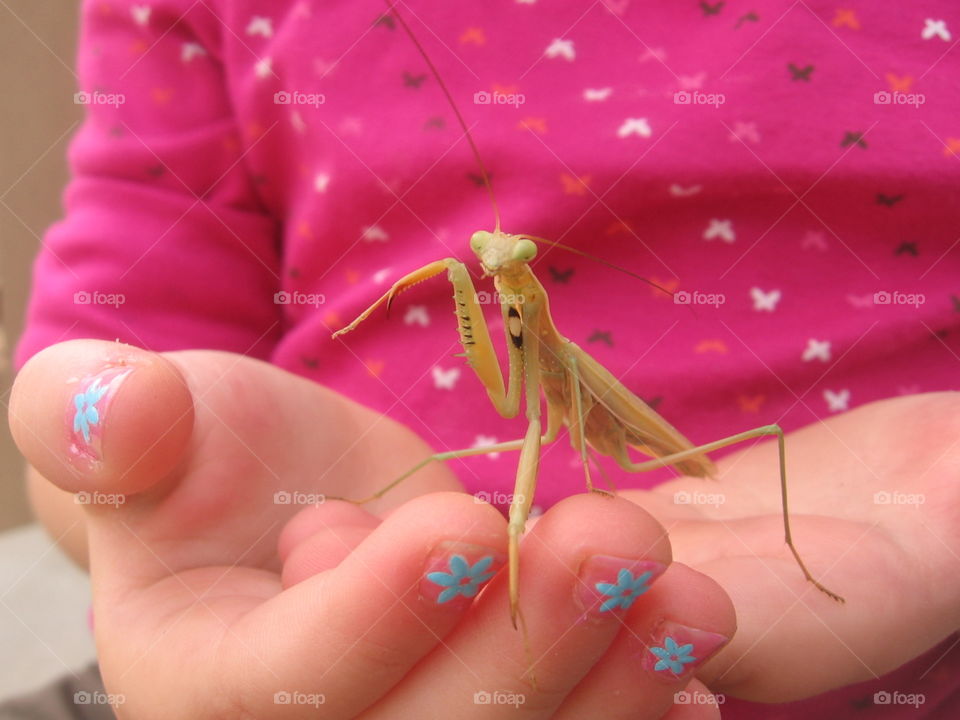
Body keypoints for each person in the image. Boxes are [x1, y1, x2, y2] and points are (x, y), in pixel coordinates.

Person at [8, 0, 959, 717]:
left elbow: (568, 444)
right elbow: (113, 346)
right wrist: (160, 484)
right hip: (297, 619)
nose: (493, 271)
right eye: (485, 268)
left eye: (510, 270)